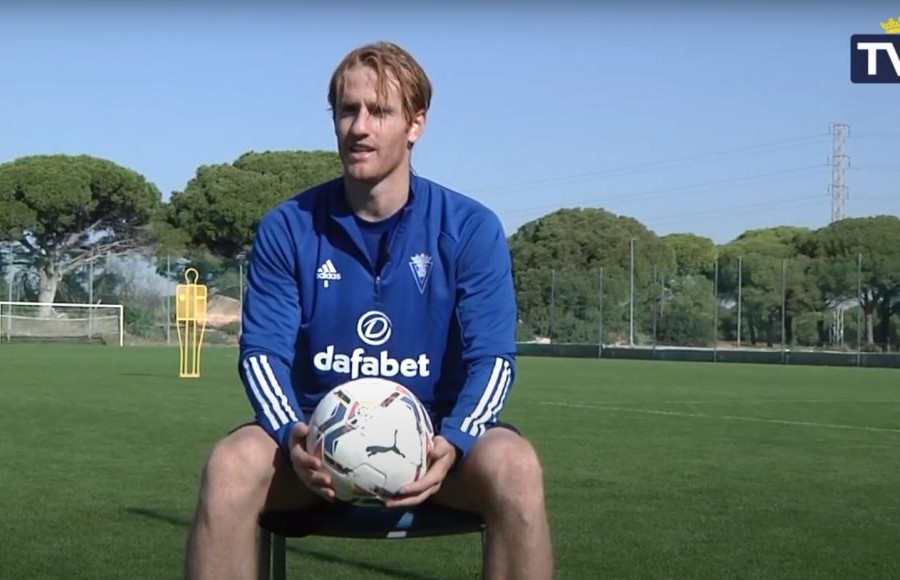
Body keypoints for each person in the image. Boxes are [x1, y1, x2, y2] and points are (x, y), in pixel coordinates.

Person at [184, 41, 553, 580]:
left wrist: (456, 441)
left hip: (438, 452)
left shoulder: (470, 228)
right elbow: (261, 354)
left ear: (415, 124)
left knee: (517, 468)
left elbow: (494, 359)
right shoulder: (288, 227)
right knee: (229, 467)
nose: (360, 127)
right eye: (347, 110)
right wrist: (291, 432)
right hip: (312, 452)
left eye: (379, 111)